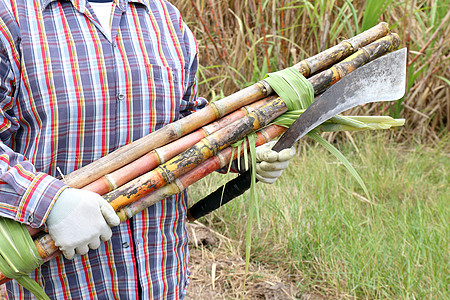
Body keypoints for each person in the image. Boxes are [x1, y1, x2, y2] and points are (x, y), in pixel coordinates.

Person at [0, 0, 294, 299]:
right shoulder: (11, 18)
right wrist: (48, 201)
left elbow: (188, 122)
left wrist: (244, 149)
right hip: (62, 279)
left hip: (162, 275)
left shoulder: (165, 18)